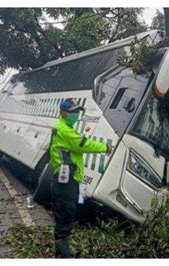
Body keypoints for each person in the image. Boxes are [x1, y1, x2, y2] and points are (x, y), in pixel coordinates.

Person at [49, 99, 112, 258]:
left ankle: (61, 251)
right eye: (73, 112)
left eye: (77, 112)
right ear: (63, 113)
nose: (76, 115)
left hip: (68, 179)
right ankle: (64, 254)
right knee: (66, 213)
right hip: (65, 182)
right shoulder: (65, 130)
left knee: (66, 213)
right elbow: (83, 144)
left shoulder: (65, 128)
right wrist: (105, 147)